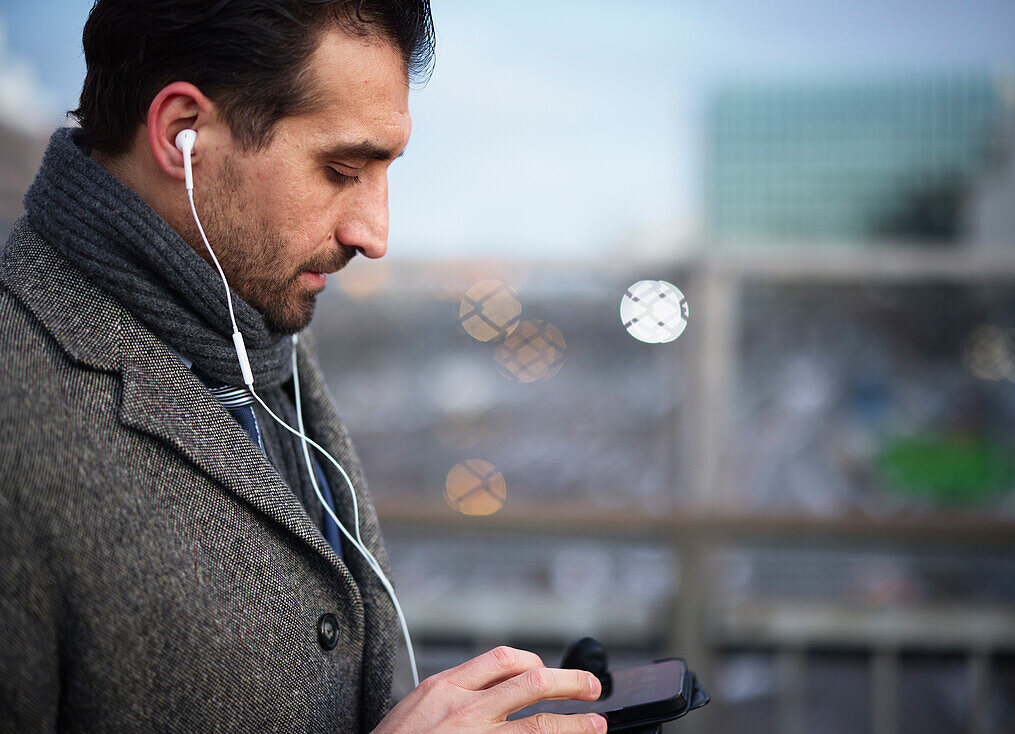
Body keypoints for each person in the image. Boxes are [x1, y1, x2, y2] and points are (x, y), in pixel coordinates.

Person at [0, 1, 606, 732]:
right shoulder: (17, 407)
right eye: (341, 169)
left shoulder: (251, 322)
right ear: (180, 134)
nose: (375, 234)